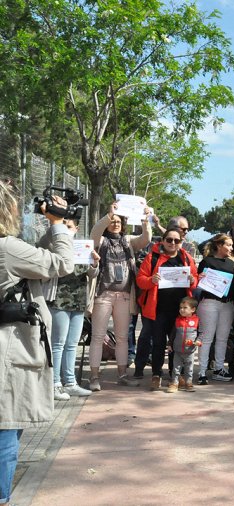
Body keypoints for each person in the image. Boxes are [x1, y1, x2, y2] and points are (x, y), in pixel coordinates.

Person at [0, 180, 74, 505]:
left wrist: (51, 225)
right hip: (8, 348)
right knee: (6, 429)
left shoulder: (9, 249)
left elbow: (36, 258)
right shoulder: (6, 248)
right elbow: (61, 263)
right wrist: (58, 223)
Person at [89, 202, 152, 391]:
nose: (115, 224)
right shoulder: (100, 241)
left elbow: (146, 238)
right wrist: (109, 214)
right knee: (98, 336)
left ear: (123, 224)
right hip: (103, 294)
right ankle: (94, 377)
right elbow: (94, 233)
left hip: (124, 296)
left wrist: (145, 219)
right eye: (112, 221)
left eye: (118, 221)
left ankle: (122, 374)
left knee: (123, 337)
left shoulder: (128, 240)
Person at [135, 226, 198, 391]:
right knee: (158, 343)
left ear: (180, 242)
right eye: (169, 239)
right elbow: (140, 280)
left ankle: (175, 376)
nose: (172, 243)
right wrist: (151, 280)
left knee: (177, 344)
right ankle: (156, 374)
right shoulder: (152, 257)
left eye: (176, 240)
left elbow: (195, 279)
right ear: (162, 241)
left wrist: (192, 280)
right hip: (158, 309)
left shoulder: (186, 258)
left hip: (180, 311)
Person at [48, 219, 99, 400]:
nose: (66, 230)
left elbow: (91, 274)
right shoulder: (53, 246)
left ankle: (70, 382)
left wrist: (94, 263)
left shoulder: (82, 247)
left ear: (76, 229)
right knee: (58, 343)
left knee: (72, 344)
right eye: (63, 226)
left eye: (69, 227)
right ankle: (54, 383)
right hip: (59, 301)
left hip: (78, 302)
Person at [195, 234, 234, 385]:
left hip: (227, 304)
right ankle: (201, 371)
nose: (231, 248)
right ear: (219, 245)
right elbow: (200, 281)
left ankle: (219, 368)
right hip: (210, 303)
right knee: (206, 338)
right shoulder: (207, 261)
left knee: (222, 338)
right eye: (229, 245)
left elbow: (233, 285)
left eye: (232, 245)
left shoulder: (232, 263)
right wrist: (200, 277)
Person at [167, 297, 200, 393]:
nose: (182, 310)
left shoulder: (197, 321)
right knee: (176, 368)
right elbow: (173, 333)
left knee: (189, 368)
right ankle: (174, 383)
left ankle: (188, 383)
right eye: (180, 307)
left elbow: (201, 333)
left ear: (193, 309)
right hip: (177, 350)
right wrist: (169, 344)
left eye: (185, 308)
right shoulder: (177, 320)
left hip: (190, 351)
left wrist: (198, 341)